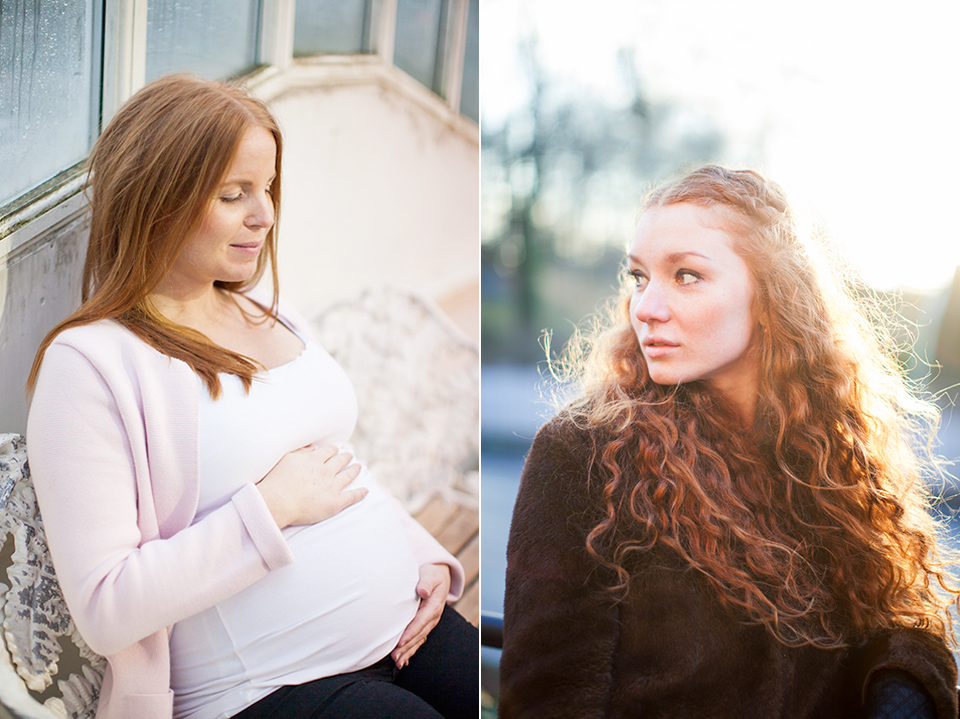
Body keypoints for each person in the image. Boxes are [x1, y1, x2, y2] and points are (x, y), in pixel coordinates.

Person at [25, 74, 477, 719]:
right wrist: (270, 508)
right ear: (157, 200)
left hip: (405, 624)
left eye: (265, 189)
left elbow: (331, 464)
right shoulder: (93, 363)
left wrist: (420, 551)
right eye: (234, 194)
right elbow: (106, 606)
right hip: (266, 687)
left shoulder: (270, 310)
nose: (263, 214)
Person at [499, 166, 959, 718]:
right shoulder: (585, 452)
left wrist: (902, 689)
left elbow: (899, 614)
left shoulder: (833, 446)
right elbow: (547, 697)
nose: (645, 308)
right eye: (639, 276)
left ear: (771, 295)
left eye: (686, 275)